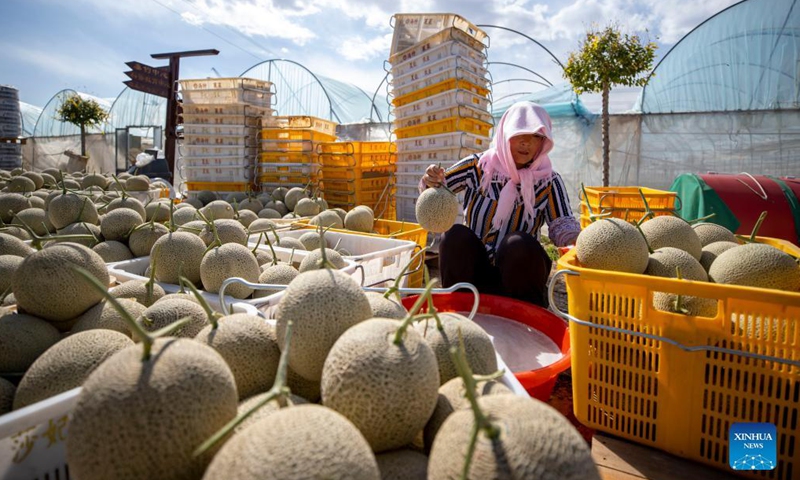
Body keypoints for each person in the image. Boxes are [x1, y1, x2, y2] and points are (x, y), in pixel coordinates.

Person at [419, 101, 580, 307]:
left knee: (517, 244)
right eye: (519, 133)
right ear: (505, 133)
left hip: (519, 278)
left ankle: (526, 316)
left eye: (536, 136)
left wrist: (580, 241)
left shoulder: (548, 180)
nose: (527, 143)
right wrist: (432, 179)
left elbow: (563, 225)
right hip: (475, 275)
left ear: (544, 142)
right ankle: (458, 306)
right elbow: (437, 190)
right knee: (454, 236)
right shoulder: (478, 166)